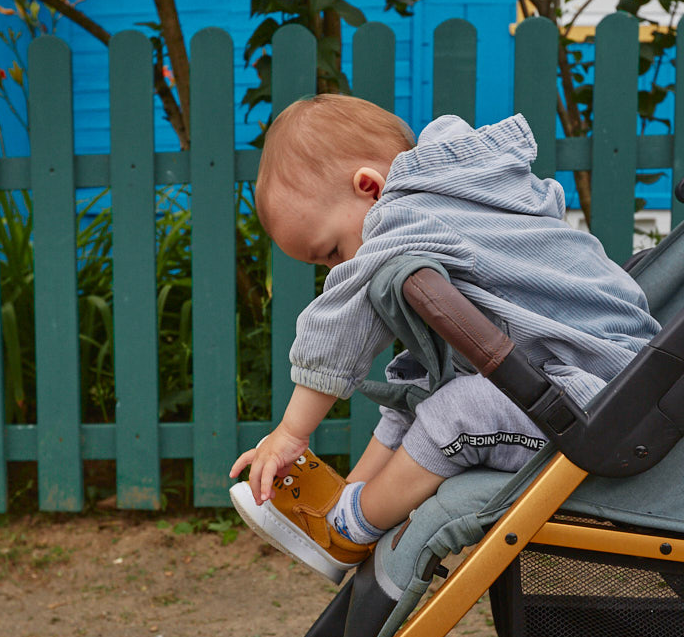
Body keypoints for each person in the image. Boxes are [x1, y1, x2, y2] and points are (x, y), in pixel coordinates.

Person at [229, 94, 660, 583]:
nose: (338, 269)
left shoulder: (405, 213)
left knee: (461, 410)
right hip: (605, 379)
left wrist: (290, 433)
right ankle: (344, 502)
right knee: (422, 383)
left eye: (332, 252)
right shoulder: (461, 194)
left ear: (370, 188)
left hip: (600, 408)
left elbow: (340, 319)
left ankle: (350, 527)